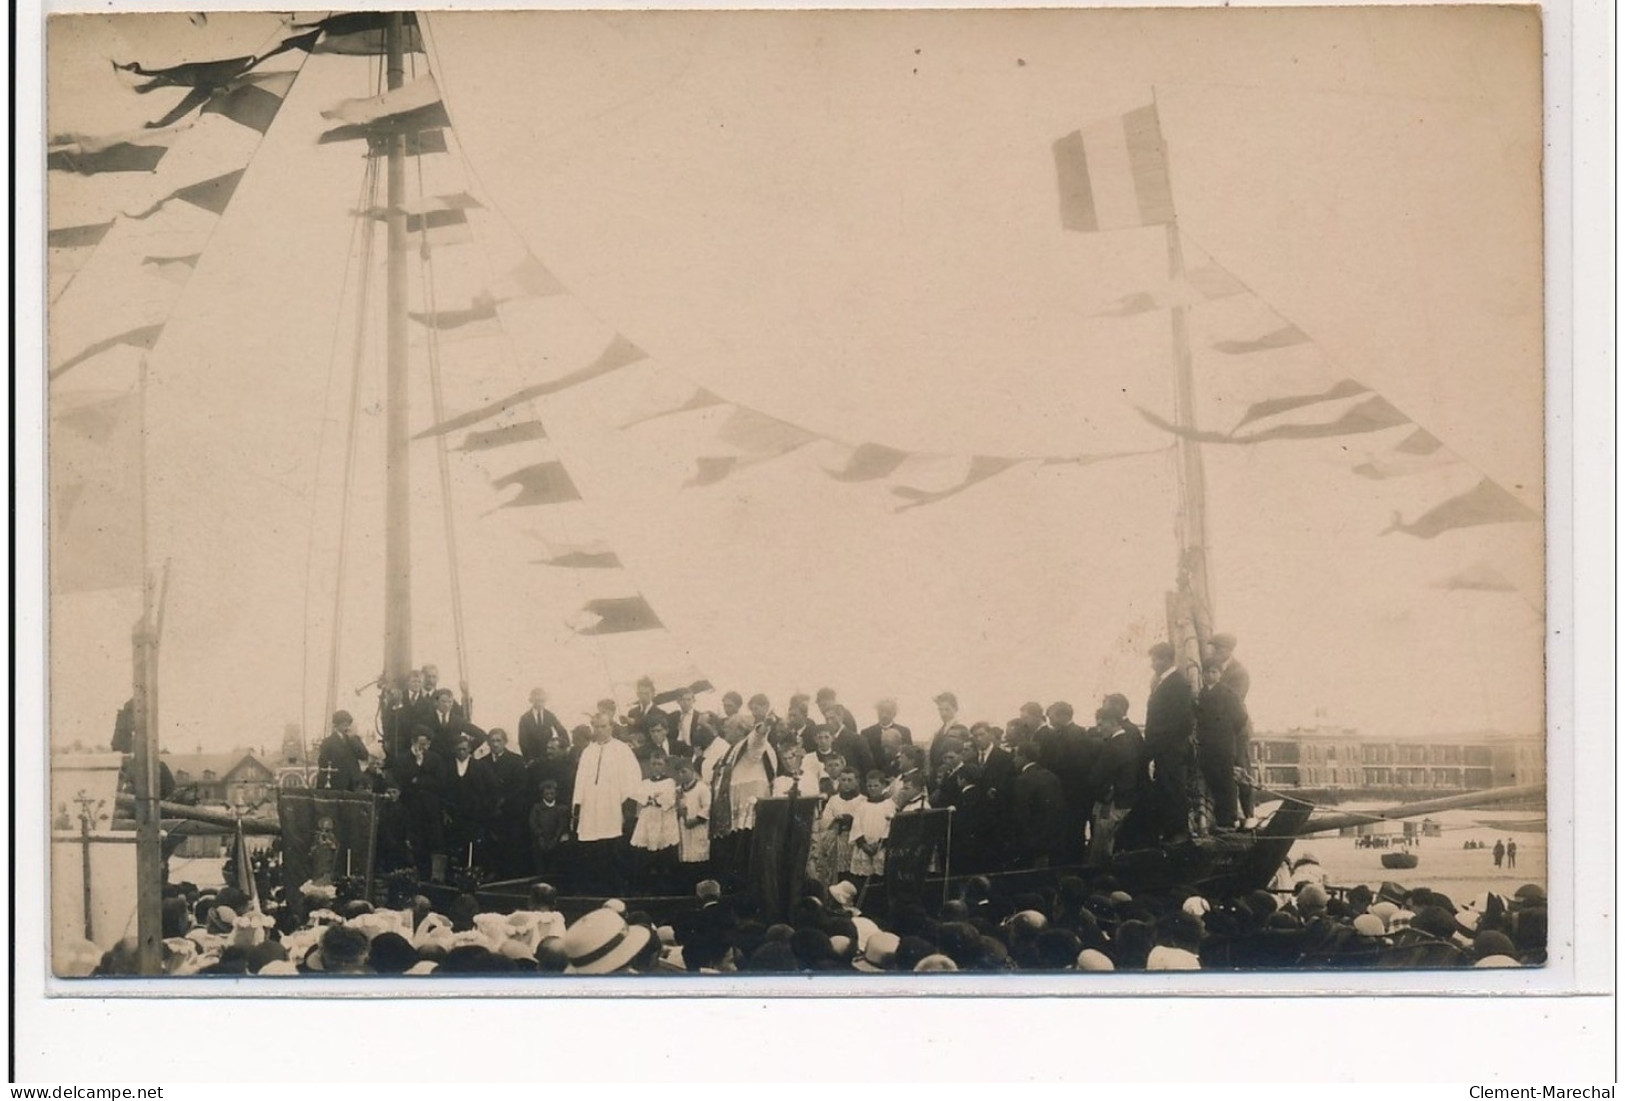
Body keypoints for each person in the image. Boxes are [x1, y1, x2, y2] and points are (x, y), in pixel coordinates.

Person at [571, 712, 643, 895]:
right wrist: (578, 804)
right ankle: (594, 893)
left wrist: (624, 802)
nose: (600, 730)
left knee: (612, 850)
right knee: (591, 851)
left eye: (603, 726)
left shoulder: (621, 749)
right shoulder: (588, 751)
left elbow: (633, 777)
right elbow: (580, 781)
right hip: (590, 810)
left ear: (611, 727)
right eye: (596, 727)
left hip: (611, 807)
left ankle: (615, 893)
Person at [1142, 641, 1197, 841]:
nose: (1153, 664)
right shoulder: (1164, 682)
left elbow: (1182, 720)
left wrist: (1156, 743)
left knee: (1173, 787)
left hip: (1170, 747)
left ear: (1166, 659)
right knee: (1166, 787)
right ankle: (1170, 831)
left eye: (1155, 659)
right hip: (1165, 746)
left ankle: (1178, 832)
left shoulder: (1176, 683)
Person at [1087, 706, 1143, 863]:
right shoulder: (1128, 742)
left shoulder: (1114, 746)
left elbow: (1098, 777)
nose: (1098, 729)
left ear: (1111, 722)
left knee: (1100, 849)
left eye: (1100, 724)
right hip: (1123, 802)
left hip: (1109, 804)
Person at [1208, 633, 1255, 818]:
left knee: (1241, 767)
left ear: (1229, 650)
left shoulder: (1239, 672)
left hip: (1236, 729)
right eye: (1214, 648)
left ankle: (1249, 814)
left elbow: (1232, 702)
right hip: (1220, 730)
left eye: (1218, 649)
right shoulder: (1213, 668)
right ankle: (1228, 816)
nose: (1215, 652)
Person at [1195, 663, 1247, 830]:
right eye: (1206, 672)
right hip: (1206, 744)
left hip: (1223, 744)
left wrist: (1226, 730)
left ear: (1220, 674)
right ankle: (1219, 820)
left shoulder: (1227, 693)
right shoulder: (1201, 694)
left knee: (1225, 781)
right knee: (1212, 779)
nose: (1209, 675)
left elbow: (1240, 717)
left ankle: (1228, 820)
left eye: (1213, 671)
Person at [394, 728, 448, 882]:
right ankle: (413, 877)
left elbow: (441, 783)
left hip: (431, 810)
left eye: (427, 744)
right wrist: (419, 769)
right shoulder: (402, 759)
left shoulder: (436, 759)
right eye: (421, 743)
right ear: (413, 741)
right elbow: (402, 781)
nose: (424, 747)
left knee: (434, 843)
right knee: (415, 845)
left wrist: (418, 780)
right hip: (411, 809)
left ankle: (432, 879)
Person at [1009, 741, 1066, 869]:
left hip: (1031, 839)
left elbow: (1021, 814)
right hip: (1052, 837)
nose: (1013, 760)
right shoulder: (1051, 776)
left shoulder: (1023, 780)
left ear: (1023, 757)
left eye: (1016, 756)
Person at [483, 729, 531, 877]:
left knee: (511, 843)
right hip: (490, 811)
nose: (495, 744)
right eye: (492, 741)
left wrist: (504, 801)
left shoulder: (516, 760)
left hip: (511, 811)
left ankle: (511, 874)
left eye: (498, 741)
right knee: (491, 842)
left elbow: (521, 785)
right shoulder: (482, 763)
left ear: (505, 742)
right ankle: (493, 872)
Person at [444, 733, 494, 872]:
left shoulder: (481, 767)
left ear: (470, 749)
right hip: (454, 814)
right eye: (458, 749)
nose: (461, 752)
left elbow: (491, 789)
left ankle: (476, 873)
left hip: (475, 814)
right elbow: (442, 789)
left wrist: (484, 809)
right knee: (456, 844)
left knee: (475, 844)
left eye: (464, 749)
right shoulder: (447, 767)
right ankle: (457, 873)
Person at [631, 751, 680, 893]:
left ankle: (665, 886)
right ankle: (647, 887)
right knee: (646, 852)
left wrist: (654, 799)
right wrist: (651, 798)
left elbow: (668, 799)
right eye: (653, 764)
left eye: (660, 764)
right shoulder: (645, 782)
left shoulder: (670, 782)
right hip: (648, 818)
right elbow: (639, 796)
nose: (656, 767)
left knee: (664, 852)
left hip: (663, 819)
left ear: (665, 766)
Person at [849, 770, 897, 884]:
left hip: (881, 848)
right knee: (863, 879)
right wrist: (863, 844)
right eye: (869, 786)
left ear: (884, 786)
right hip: (865, 848)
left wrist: (881, 843)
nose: (872, 788)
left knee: (880, 877)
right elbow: (857, 826)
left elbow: (891, 826)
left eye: (876, 785)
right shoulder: (861, 806)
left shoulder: (889, 805)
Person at [672, 754, 712, 891]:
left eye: (684, 771)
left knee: (699, 858)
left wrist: (695, 820)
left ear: (692, 771)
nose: (681, 775)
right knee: (685, 859)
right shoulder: (678, 791)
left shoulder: (702, 788)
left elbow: (707, 807)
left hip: (698, 827)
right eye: (678, 772)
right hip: (683, 829)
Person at [316, 710, 369, 792]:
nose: (347, 727)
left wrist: (353, 740)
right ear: (336, 725)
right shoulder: (328, 742)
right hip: (337, 784)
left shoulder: (354, 739)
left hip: (354, 784)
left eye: (348, 724)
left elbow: (364, 756)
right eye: (344, 724)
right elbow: (323, 763)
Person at [528, 778, 570, 876]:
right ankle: (541, 876)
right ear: (542, 794)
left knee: (555, 858)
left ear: (556, 794)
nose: (550, 796)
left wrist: (556, 838)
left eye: (552, 793)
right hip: (540, 839)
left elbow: (562, 824)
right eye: (547, 794)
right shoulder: (537, 808)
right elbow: (533, 823)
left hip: (555, 838)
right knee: (540, 859)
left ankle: (552, 876)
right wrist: (540, 836)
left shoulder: (561, 809)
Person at [860, 698, 912, 776]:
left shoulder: (904, 732)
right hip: (875, 777)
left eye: (888, 712)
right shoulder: (867, 733)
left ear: (894, 713)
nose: (884, 715)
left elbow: (909, 756)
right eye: (881, 711)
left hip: (897, 775)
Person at [517, 687, 569, 762]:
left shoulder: (550, 715)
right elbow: (523, 741)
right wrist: (529, 759)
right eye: (537, 701)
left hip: (549, 757)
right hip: (532, 758)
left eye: (542, 701)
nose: (540, 703)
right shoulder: (525, 718)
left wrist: (561, 750)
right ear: (531, 701)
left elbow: (562, 732)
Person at [926, 692, 961, 784]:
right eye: (940, 710)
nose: (943, 713)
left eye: (947, 710)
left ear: (955, 709)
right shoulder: (939, 731)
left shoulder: (959, 729)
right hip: (936, 776)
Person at [625, 676, 672, 741]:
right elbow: (630, 732)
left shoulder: (661, 713)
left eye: (646, 694)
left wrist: (634, 722)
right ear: (637, 694)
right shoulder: (632, 712)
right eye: (641, 693)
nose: (643, 696)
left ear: (653, 694)